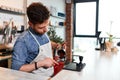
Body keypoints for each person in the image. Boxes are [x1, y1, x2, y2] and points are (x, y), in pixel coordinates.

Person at [11, 2, 60, 77]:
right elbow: (16, 69)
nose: (45, 30)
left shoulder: (42, 32)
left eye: (46, 25)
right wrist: (42, 63)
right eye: (41, 27)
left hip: (49, 76)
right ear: (30, 24)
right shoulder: (23, 41)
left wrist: (55, 45)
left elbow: (44, 43)